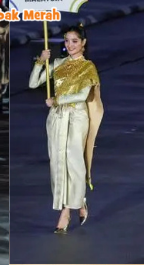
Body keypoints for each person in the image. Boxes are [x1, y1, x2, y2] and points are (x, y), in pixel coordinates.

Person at [28, 24, 103, 234]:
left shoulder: (88, 67)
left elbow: (81, 95)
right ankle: (74, 203)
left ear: (84, 43)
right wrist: (40, 62)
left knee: (74, 163)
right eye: (67, 41)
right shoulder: (58, 63)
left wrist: (58, 99)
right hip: (56, 118)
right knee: (58, 163)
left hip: (77, 117)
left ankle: (67, 211)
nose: (70, 45)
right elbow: (33, 84)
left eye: (75, 41)